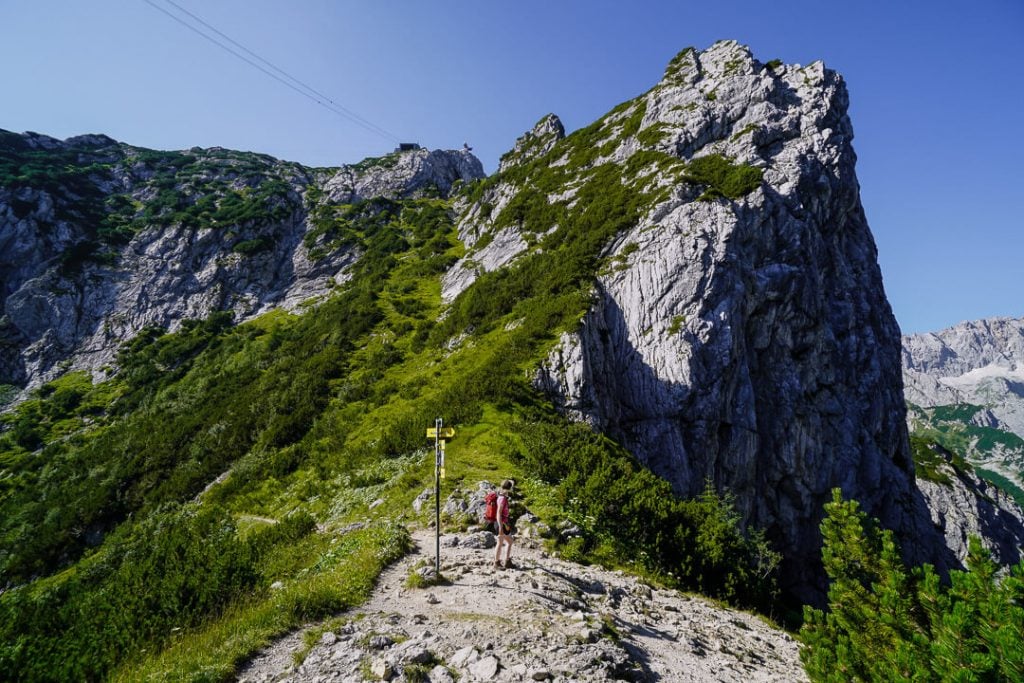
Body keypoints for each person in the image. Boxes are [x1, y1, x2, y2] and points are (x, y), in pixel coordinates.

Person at [493, 479, 515, 569]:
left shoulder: (501, 496)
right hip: (502, 523)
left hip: (504, 523)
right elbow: (498, 513)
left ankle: (506, 561)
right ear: (508, 488)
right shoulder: (502, 499)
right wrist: (500, 527)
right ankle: (497, 563)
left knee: (509, 541)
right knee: (501, 542)